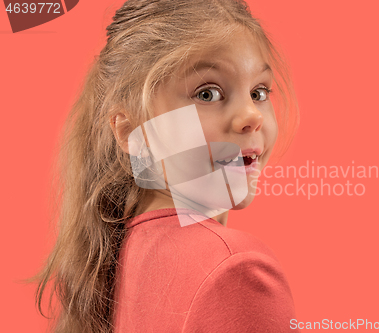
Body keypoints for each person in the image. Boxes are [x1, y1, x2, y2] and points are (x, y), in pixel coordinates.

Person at [32, 0, 299, 332]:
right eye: (208, 94)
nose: (252, 116)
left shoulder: (116, 257)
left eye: (259, 92)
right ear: (131, 131)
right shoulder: (236, 268)